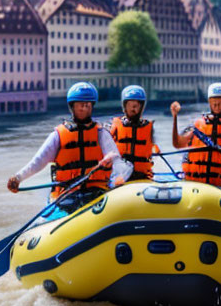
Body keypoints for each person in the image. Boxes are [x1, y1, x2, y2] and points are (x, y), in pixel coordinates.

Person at [7, 82, 130, 210]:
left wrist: (119, 178)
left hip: (96, 191)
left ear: (92, 106)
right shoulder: (58, 136)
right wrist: (18, 177)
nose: (84, 108)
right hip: (67, 194)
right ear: (72, 107)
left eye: (87, 105)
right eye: (80, 105)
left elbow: (117, 161)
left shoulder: (101, 134)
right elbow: (38, 162)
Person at [170, 82, 221, 188]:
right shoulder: (197, 125)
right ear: (209, 102)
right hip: (195, 184)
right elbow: (177, 144)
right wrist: (175, 118)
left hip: (220, 186)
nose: (217, 104)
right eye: (214, 101)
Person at [108, 85, 157, 182]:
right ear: (124, 106)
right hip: (121, 178)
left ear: (141, 107)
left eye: (136, 106)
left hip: (143, 177)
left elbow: (153, 149)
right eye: (130, 105)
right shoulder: (113, 126)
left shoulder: (149, 128)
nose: (133, 109)